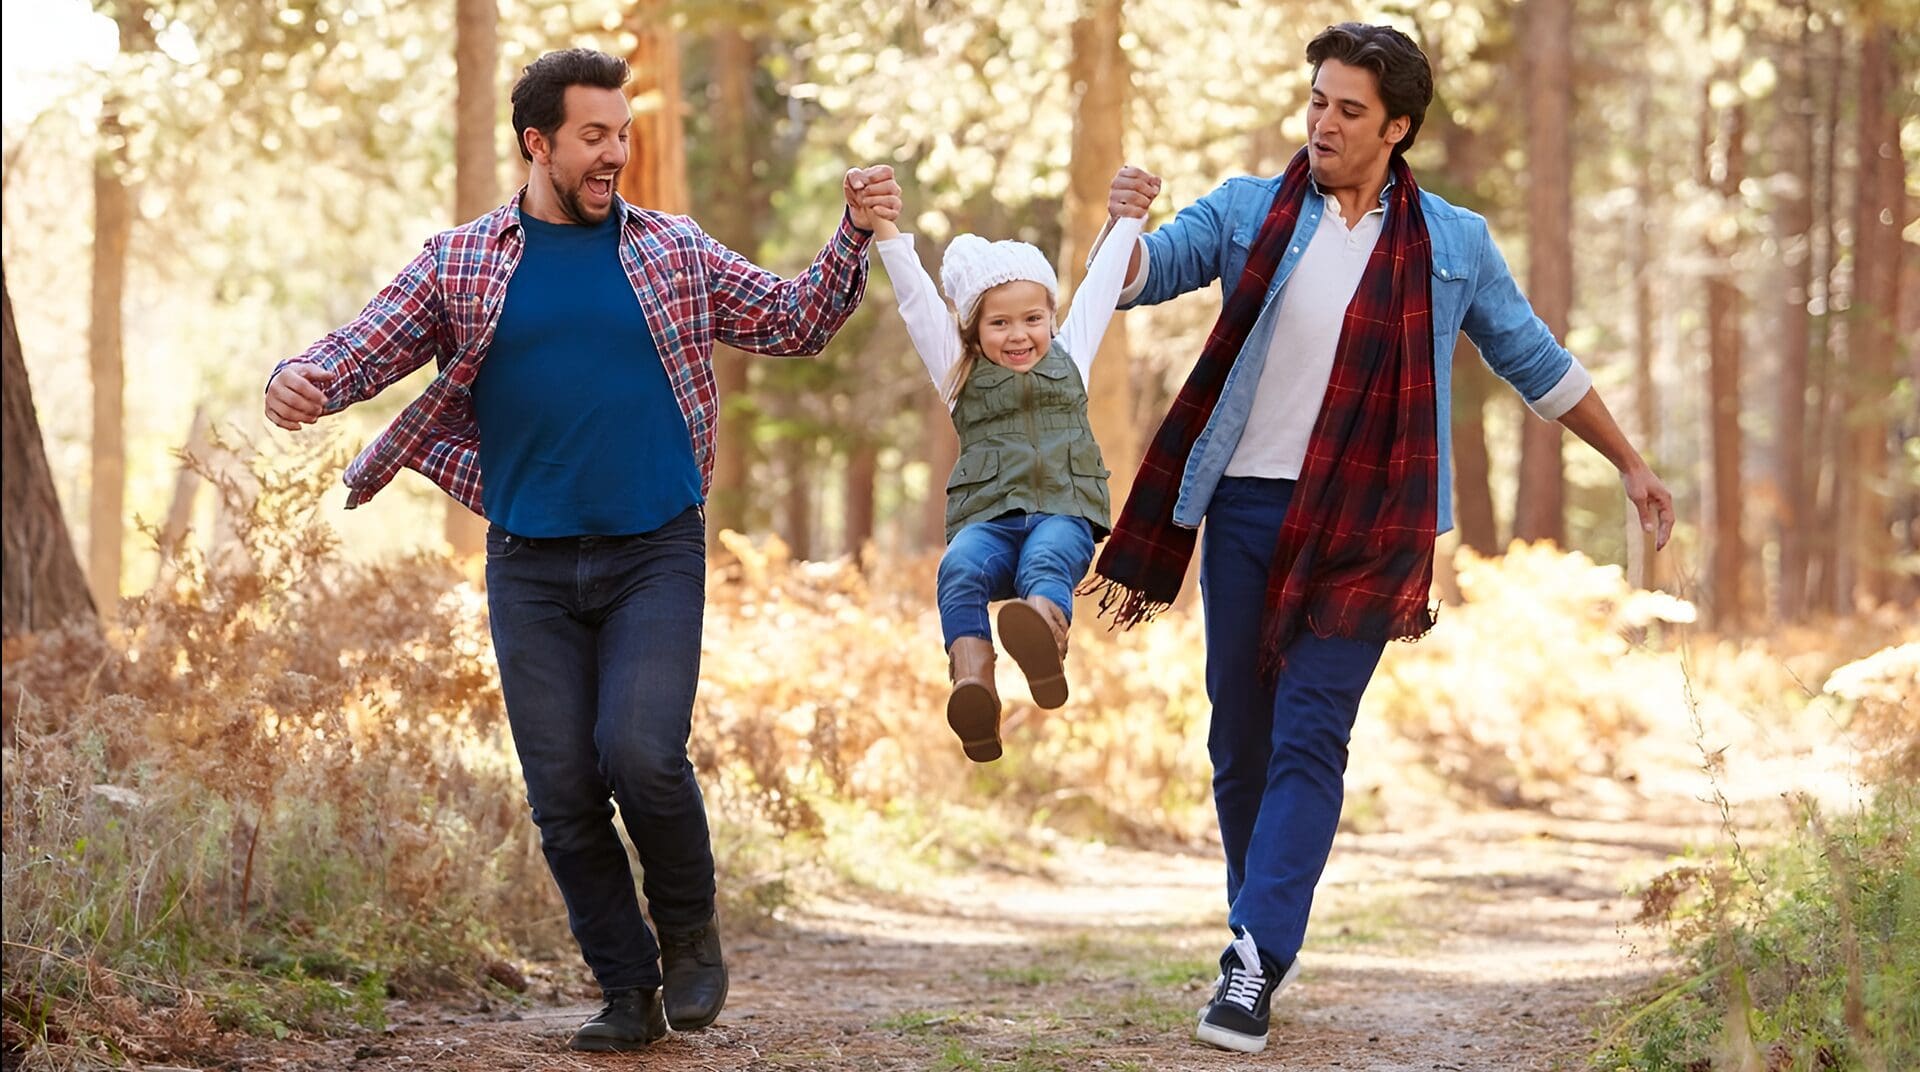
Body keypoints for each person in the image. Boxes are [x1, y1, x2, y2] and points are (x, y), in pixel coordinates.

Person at [262, 48, 900, 1053]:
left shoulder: (673, 249)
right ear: (538, 142)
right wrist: (298, 378)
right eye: (595, 136)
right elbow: (364, 344)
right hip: (530, 563)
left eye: (624, 133)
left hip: (655, 548)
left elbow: (795, 320)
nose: (616, 154)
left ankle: (689, 930)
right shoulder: (462, 261)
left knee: (641, 756)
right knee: (562, 792)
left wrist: (852, 234)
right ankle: (626, 988)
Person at [1088, 23, 1675, 1055]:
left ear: (1397, 128)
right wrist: (1120, 231)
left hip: (1373, 519)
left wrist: (1628, 462)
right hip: (1247, 509)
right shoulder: (1245, 211)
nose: (1323, 122)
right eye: (1317, 100)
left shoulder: (1452, 242)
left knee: (1313, 732)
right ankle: (1254, 931)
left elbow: (1535, 359)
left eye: (1349, 110)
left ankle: (1255, 964)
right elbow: (1144, 274)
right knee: (1241, 737)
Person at [863, 177, 1153, 762]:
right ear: (973, 330)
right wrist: (883, 227)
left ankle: (1043, 633)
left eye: (1031, 319)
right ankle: (974, 686)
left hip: (1063, 513)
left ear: (1050, 315)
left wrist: (1128, 218)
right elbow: (918, 300)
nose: (1019, 335)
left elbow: (1098, 289)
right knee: (959, 569)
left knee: (1047, 559)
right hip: (989, 523)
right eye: (999, 324)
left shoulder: (1071, 352)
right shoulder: (957, 373)